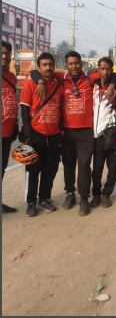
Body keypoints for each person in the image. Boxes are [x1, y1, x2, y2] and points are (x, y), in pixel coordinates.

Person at [30, 51, 116, 213]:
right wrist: (40, 81)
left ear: (81, 64)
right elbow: (36, 71)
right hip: (67, 132)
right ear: (66, 65)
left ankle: (84, 198)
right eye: (70, 64)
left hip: (86, 133)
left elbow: (115, 75)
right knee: (68, 164)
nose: (74, 66)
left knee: (84, 165)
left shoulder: (90, 78)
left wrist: (112, 85)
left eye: (77, 63)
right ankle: (70, 193)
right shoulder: (61, 78)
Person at [19, 53, 64, 217]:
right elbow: (24, 110)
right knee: (32, 170)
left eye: (50, 64)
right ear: (38, 67)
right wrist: (28, 134)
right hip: (35, 135)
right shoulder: (29, 85)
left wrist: (61, 131)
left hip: (53, 136)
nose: (48, 68)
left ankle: (44, 198)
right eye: (44, 65)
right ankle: (31, 202)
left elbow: (60, 109)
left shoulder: (59, 85)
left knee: (50, 171)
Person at [89, 57, 116, 210]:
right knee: (97, 168)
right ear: (98, 70)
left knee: (113, 167)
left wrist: (113, 96)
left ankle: (106, 194)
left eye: (108, 69)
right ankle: (96, 194)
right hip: (97, 135)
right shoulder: (93, 86)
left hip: (113, 133)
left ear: (112, 69)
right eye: (102, 69)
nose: (105, 72)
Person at [2, 40, 19, 213]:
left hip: (7, 133)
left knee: (1, 168)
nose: (5, 56)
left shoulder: (12, 77)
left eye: (7, 53)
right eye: (2, 53)